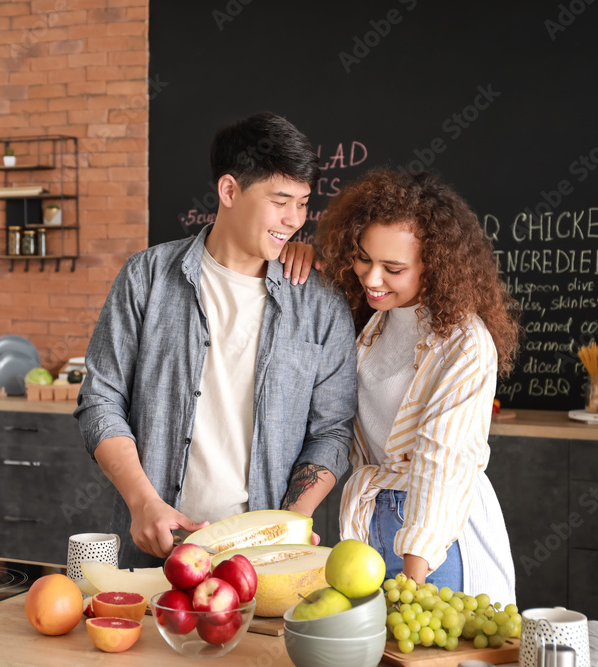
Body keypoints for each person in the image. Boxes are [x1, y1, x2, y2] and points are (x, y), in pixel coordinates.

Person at [74, 112, 358, 569]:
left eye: (303, 203)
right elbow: (100, 399)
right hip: (154, 549)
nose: (295, 220)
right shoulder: (146, 277)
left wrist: (294, 519)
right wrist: (143, 502)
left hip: (265, 562)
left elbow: (331, 431)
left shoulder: (321, 304)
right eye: (281, 200)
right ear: (229, 191)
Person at [283, 167, 519, 604]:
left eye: (392, 268)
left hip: (439, 539)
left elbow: (442, 460)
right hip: (371, 524)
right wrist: (296, 253)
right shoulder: (368, 323)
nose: (371, 279)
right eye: (362, 257)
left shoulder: (465, 342)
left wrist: (415, 571)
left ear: (435, 265)